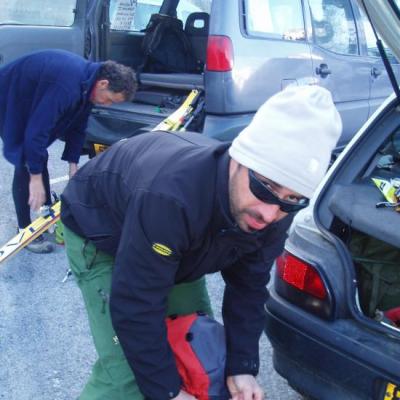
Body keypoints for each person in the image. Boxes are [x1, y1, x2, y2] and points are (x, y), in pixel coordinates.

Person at [60, 85, 342, 400]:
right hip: (101, 228)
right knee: (128, 374)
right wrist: (168, 392)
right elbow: (136, 305)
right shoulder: (171, 196)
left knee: (198, 348)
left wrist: (242, 366)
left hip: (175, 242)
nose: (269, 213)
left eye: (292, 201)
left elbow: (249, 287)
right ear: (237, 159)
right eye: (265, 188)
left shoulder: (276, 210)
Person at [0, 49, 137, 253]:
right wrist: (35, 178)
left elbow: (79, 126)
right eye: (110, 99)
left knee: (38, 155)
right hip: (8, 96)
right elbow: (37, 132)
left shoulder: (88, 83)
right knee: (26, 159)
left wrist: (73, 165)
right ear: (103, 84)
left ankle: (44, 212)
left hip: (30, 95)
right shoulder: (67, 87)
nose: (107, 105)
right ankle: (24, 232)